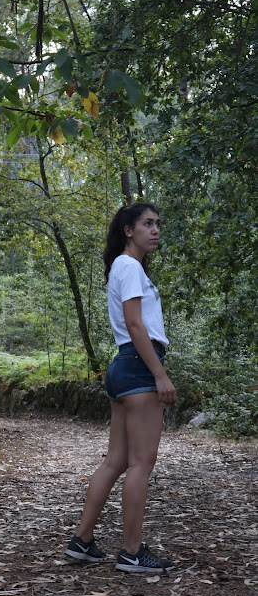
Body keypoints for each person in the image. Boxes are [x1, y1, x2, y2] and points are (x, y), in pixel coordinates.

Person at [66, 202, 177, 573]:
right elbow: (134, 324)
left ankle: (82, 541)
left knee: (116, 461)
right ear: (129, 230)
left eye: (157, 224)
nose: (155, 230)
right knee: (141, 464)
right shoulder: (129, 266)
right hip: (139, 366)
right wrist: (159, 374)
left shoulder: (124, 267)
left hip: (124, 367)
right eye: (147, 223)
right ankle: (131, 553)